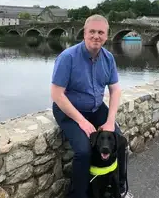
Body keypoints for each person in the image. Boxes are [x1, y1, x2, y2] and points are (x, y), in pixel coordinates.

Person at [51, 14, 133, 198]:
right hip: (69, 110)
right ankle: (79, 194)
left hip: (95, 108)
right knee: (83, 150)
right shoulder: (68, 57)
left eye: (101, 32)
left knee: (120, 142)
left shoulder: (108, 58)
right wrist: (81, 121)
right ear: (84, 33)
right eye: (92, 32)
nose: (96, 36)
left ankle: (119, 188)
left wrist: (111, 121)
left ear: (106, 35)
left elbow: (115, 90)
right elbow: (56, 94)